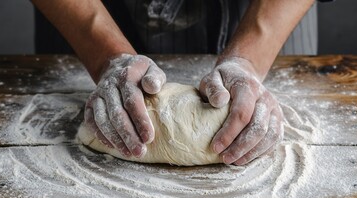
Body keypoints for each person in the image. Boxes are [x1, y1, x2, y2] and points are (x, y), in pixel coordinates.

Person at [32, 0, 323, 165]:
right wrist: (107, 55)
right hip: (89, 15)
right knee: (114, 107)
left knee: (249, 115)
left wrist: (249, 59)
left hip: (270, 13)